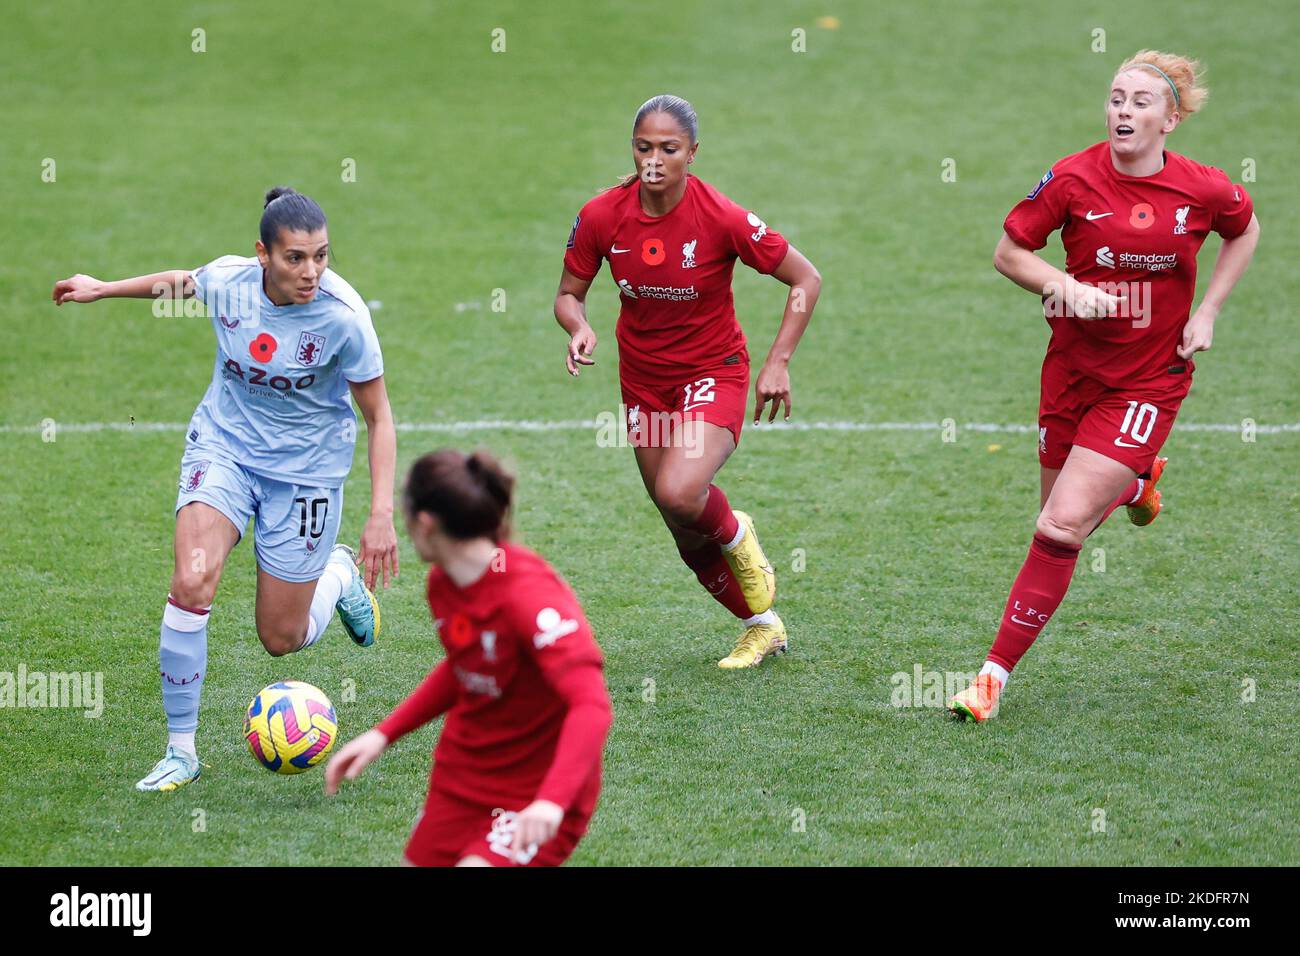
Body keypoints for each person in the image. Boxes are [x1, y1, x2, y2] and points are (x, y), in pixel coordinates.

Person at [948, 51, 1260, 721]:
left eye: (1140, 102)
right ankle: (1137, 481)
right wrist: (1066, 287)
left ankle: (989, 681)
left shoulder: (1202, 190)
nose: (1123, 110)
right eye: (1117, 98)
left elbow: (1244, 229)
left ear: (1170, 120)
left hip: (1150, 380)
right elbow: (1009, 254)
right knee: (1061, 516)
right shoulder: (1070, 179)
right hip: (1071, 376)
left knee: (1059, 526)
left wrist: (1207, 311)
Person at [51, 186, 399, 787]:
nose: (311, 271)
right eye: (295, 258)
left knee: (280, 638)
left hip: (307, 475)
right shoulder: (231, 282)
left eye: (321, 255)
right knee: (191, 580)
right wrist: (104, 287)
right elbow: (183, 282)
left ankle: (337, 574)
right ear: (261, 254)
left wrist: (380, 513)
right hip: (225, 450)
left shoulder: (345, 319)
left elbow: (380, 418)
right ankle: (181, 750)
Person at [554, 94, 822, 669]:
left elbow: (806, 278)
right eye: (644, 147)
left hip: (713, 373)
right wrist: (579, 328)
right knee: (678, 522)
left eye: (668, 149)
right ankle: (761, 626)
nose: (654, 160)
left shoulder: (720, 217)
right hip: (643, 382)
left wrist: (778, 361)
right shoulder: (602, 215)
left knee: (681, 491)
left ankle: (735, 532)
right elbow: (568, 295)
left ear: (692, 153)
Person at [325, 449, 612, 867]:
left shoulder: (529, 597)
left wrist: (551, 801)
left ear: (425, 523)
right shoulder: (444, 582)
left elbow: (592, 706)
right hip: (463, 780)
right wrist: (383, 734)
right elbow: (466, 667)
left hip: (538, 791)